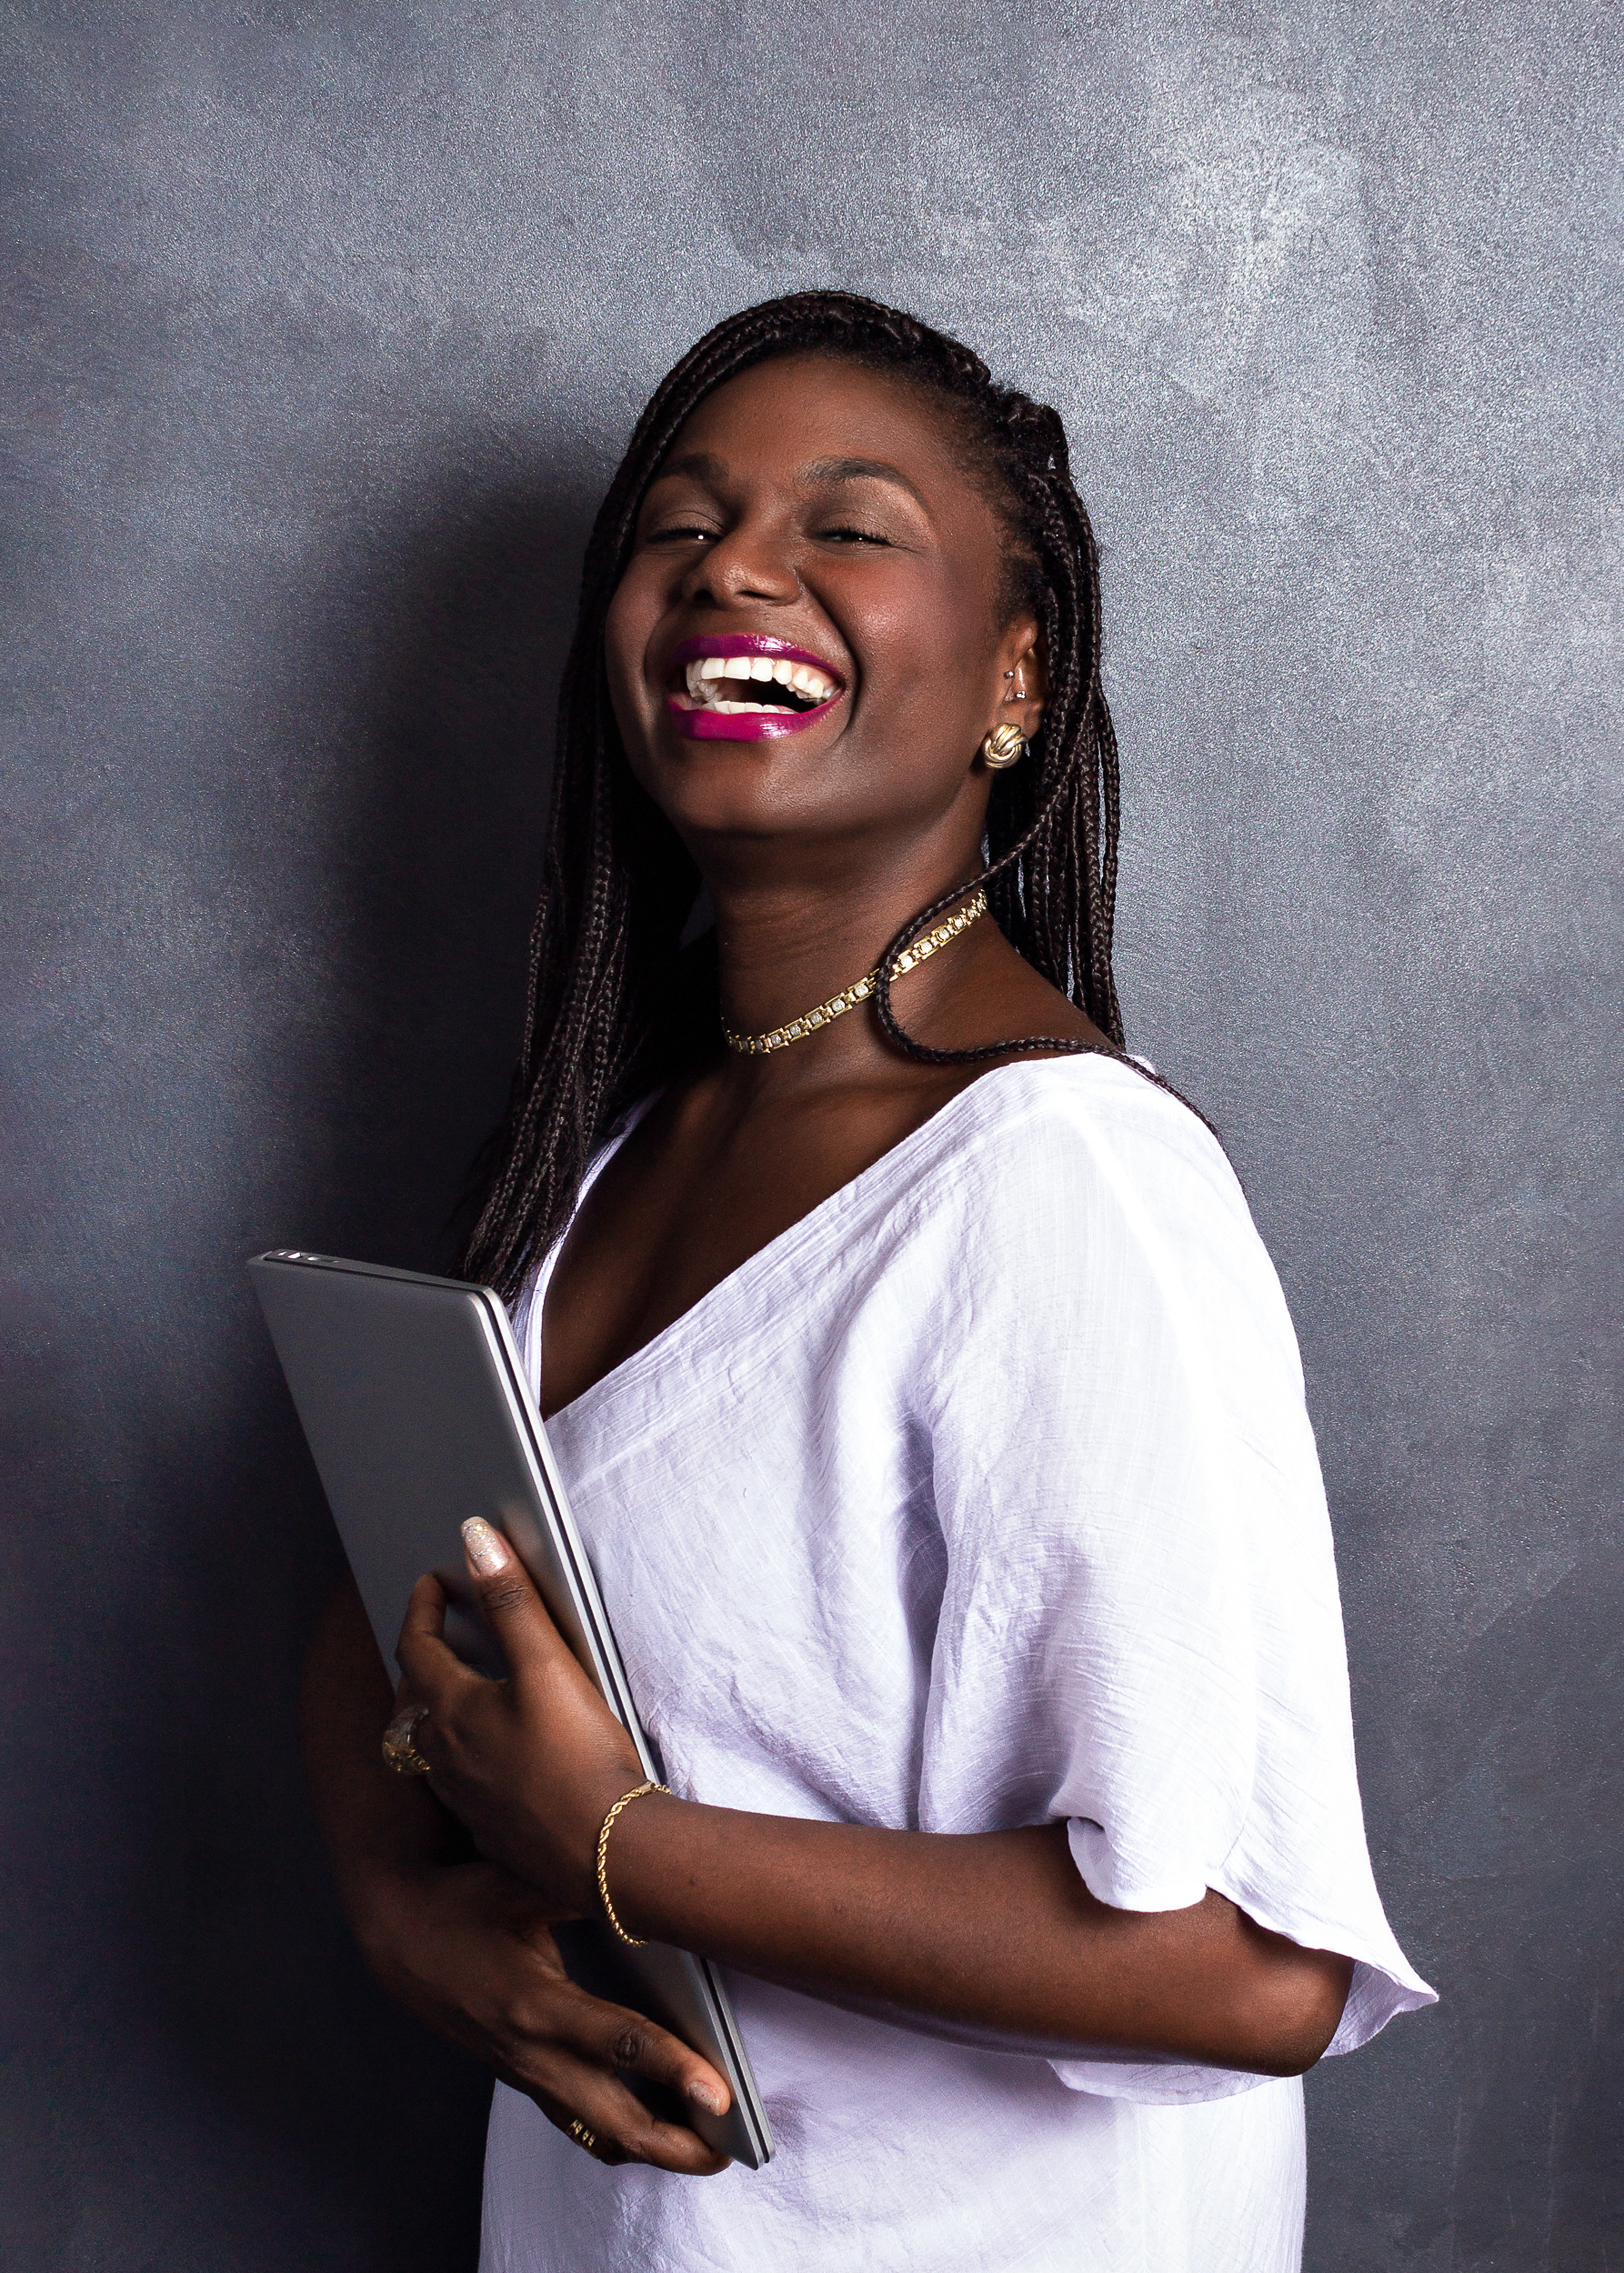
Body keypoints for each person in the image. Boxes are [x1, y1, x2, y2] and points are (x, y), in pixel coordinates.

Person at [301, 292, 1434, 2272]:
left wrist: (613, 1846)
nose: (733, 568)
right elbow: (398, 1612)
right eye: (679, 525)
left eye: (847, 527)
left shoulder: (1059, 1179)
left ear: (1015, 673)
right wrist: (402, 1903)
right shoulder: (623, 1147)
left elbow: (1248, 1965)